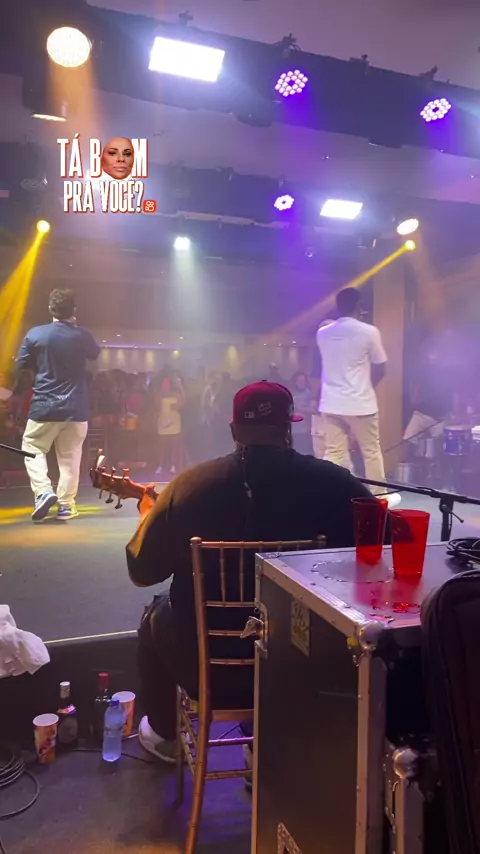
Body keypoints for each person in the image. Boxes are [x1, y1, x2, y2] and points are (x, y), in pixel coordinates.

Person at [126, 380, 371, 762]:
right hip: (303, 667)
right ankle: (267, 746)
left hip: (208, 671)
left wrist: (149, 518)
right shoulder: (336, 484)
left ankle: (165, 737)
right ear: (288, 429)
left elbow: (141, 570)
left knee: (154, 613)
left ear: (234, 430)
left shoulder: (187, 486)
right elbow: (380, 551)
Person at [16, 288, 100, 521]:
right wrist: (75, 328)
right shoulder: (82, 335)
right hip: (76, 408)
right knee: (70, 458)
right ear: (74, 309)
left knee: (32, 447)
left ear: (50, 309)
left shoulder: (36, 334)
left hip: (44, 406)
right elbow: (94, 354)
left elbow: (22, 364)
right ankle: (66, 506)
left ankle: (43, 491)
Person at [316, 288, 400, 507]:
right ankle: (379, 498)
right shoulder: (369, 331)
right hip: (360, 403)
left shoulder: (322, 333)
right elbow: (381, 367)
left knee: (334, 452)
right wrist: (366, 386)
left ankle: (328, 494)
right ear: (358, 306)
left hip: (331, 402)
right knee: (371, 451)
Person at [290, 371, 317, 455]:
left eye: (304, 381)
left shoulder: (309, 394)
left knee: (305, 453)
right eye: (300, 381)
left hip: (305, 431)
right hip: (293, 431)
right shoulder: (290, 393)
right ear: (295, 382)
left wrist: (299, 408)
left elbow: (313, 410)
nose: (302, 383)